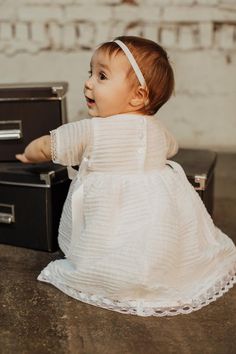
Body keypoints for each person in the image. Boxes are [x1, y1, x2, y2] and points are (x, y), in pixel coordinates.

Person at [16, 36, 236, 317]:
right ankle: (160, 268)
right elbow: (172, 147)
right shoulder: (156, 127)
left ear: (137, 96)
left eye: (102, 76)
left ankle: (114, 272)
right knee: (152, 241)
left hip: (113, 211)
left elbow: (49, 145)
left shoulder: (92, 130)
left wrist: (27, 153)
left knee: (112, 241)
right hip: (157, 212)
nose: (89, 83)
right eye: (91, 73)